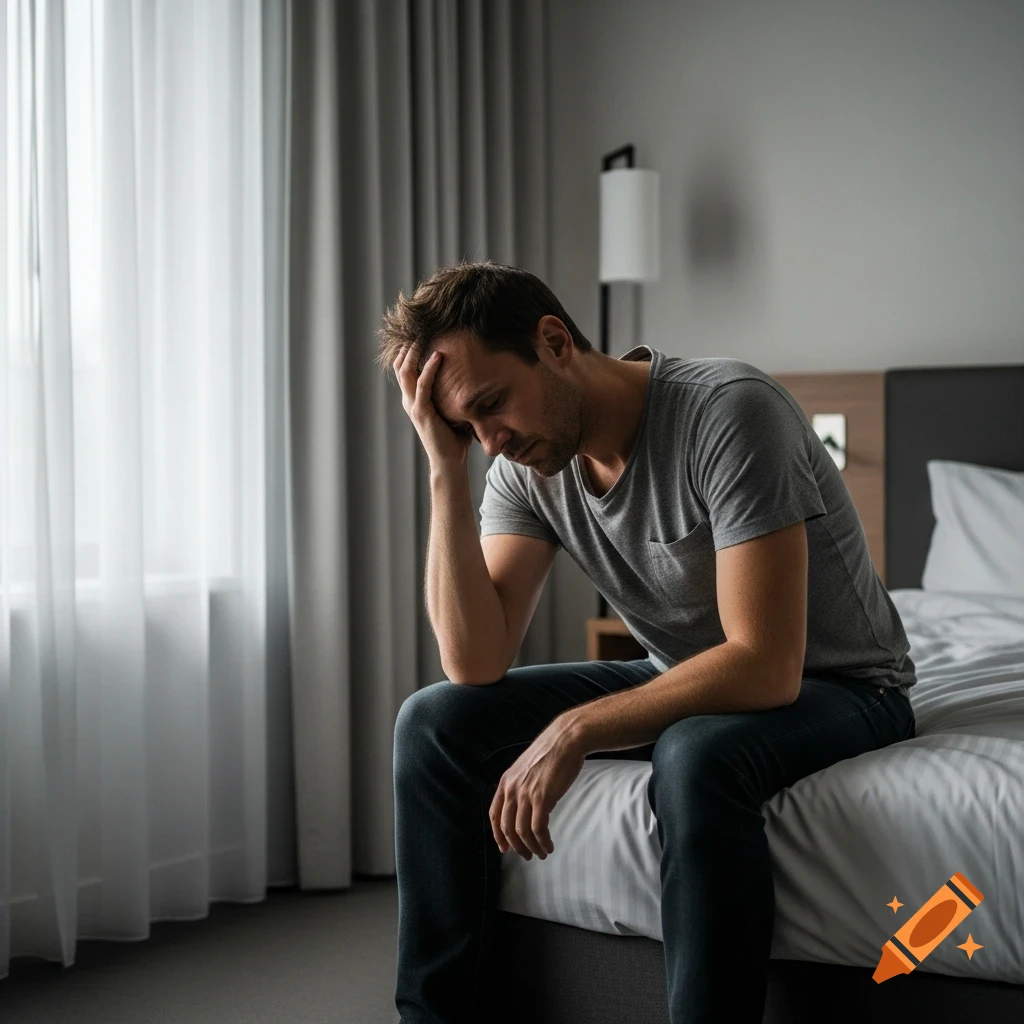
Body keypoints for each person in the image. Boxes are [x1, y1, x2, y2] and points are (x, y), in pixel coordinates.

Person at [378, 260, 916, 1024]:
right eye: (467, 427)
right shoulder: (525, 464)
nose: (490, 443)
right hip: (686, 671)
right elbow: (476, 660)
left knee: (695, 753)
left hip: (847, 686)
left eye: (492, 405)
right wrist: (441, 469)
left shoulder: (730, 412)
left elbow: (764, 665)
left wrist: (579, 726)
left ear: (555, 341)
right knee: (433, 724)